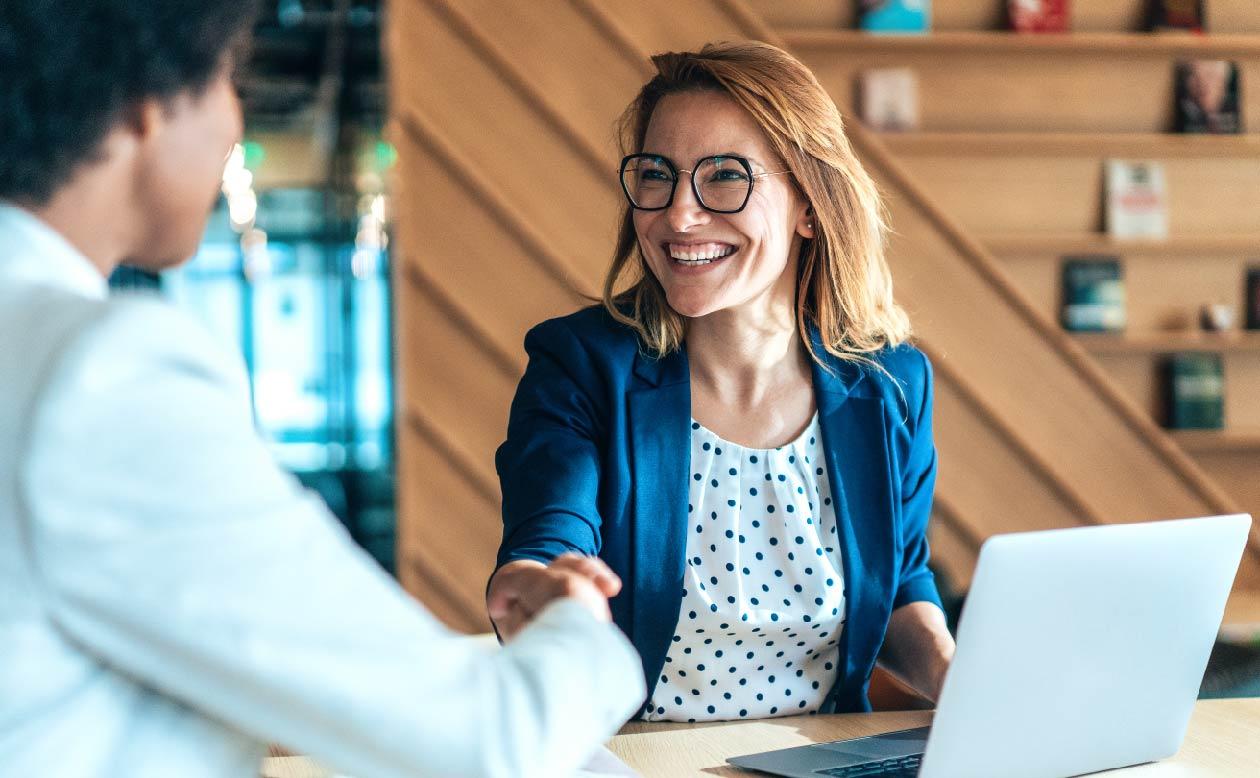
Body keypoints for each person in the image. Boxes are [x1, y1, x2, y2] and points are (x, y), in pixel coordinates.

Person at [0, 2, 643, 776]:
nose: (236, 118)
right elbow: (489, 741)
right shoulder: (101, 374)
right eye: (226, 80)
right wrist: (579, 628)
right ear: (144, 108)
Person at [488, 41, 955, 722]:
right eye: (657, 175)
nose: (679, 215)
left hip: (822, 760)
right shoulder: (581, 364)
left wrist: (954, 674)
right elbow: (548, 538)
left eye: (726, 177)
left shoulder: (892, 384)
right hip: (634, 761)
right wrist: (538, 589)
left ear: (810, 205)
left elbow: (902, 577)